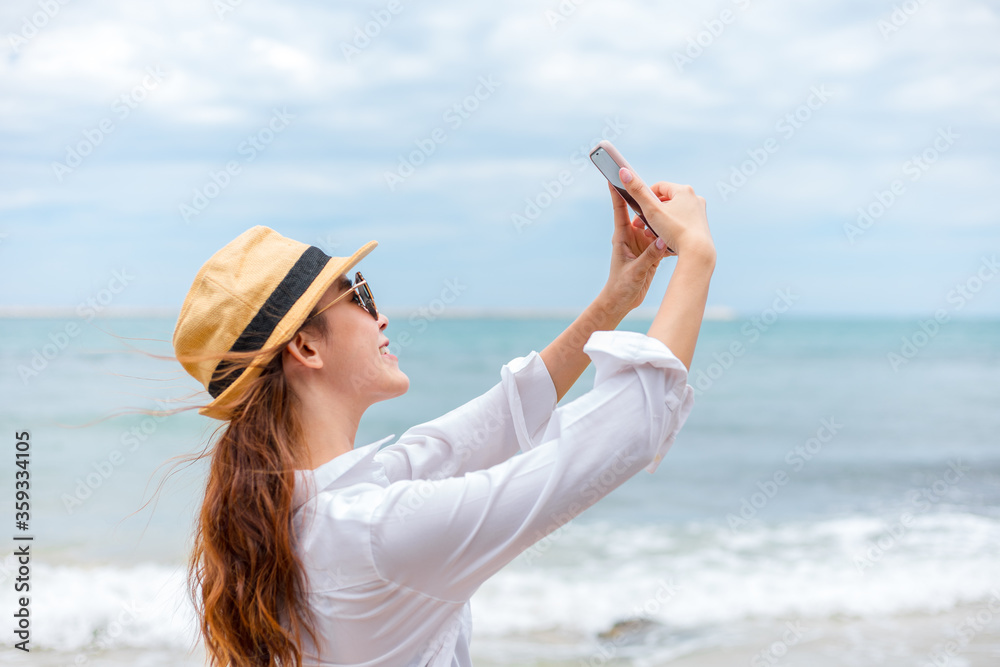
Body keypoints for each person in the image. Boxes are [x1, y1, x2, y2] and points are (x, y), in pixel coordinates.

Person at [170, 165, 715, 667]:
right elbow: (624, 428)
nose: (381, 316)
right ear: (306, 349)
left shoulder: (312, 510)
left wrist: (618, 298)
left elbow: (499, 418)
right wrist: (696, 253)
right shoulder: (373, 532)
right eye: (359, 295)